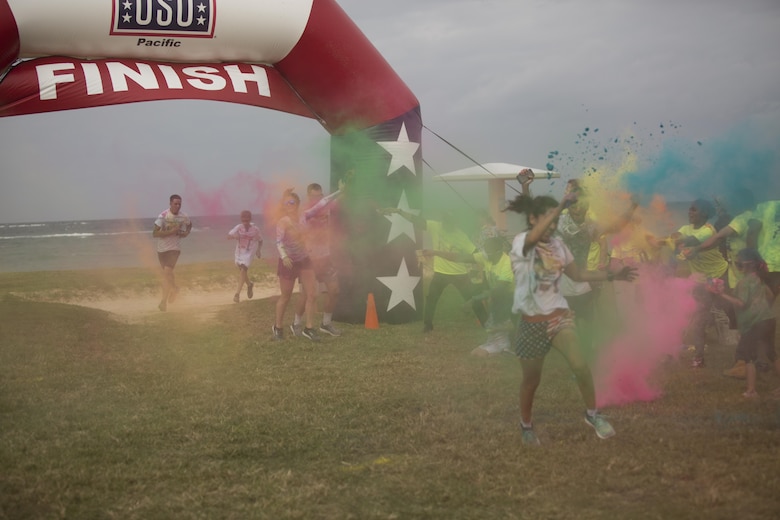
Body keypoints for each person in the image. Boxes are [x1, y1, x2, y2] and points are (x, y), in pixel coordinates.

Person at [505, 191, 637, 444]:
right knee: (531, 381)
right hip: (531, 323)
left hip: (558, 317)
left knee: (580, 365)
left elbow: (577, 275)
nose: (553, 226)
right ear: (533, 219)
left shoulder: (558, 246)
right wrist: (561, 205)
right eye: (548, 219)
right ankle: (526, 425)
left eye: (555, 221)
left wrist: (613, 276)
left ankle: (592, 414)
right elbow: (533, 237)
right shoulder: (521, 242)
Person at [647, 199, 729, 368]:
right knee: (695, 316)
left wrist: (659, 242)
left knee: (731, 311)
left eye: (694, 210)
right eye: (689, 210)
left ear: (705, 214)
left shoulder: (708, 231)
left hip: (721, 275)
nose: (690, 212)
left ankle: (737, 344)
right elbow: (675, 239)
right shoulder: (685, 228)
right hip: (700, 279)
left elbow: (688, 241)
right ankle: (697, 357)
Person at [380, 207, 488, 333]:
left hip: (460, 274)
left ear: (455, 223)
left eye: (450, 222)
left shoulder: (461, 236)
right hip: (440, 273)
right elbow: (416, 220)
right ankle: (428, 325)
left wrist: (481, 264)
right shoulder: (436, 226)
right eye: (445, 222)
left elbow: (474, 253)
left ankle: (487, 324)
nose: (446, 225)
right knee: (431, 298)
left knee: (473, 299)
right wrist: (400, 212)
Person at [424, 236, 514, 356]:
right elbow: (459, 257)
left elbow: (498, 290)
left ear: (498, 251)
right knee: (477, 352)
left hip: (513, 300)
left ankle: (506, 343)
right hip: (500, 301)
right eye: (485, 250)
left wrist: (473, 300)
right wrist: (435, 252)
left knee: (503, 315)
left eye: (489, 251)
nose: (485, 254)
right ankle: (502, 341)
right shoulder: (487, 257)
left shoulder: (507, 264)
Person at [709, 248, 779, 398]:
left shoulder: (744, 282)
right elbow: (769, 295)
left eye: (739, 264)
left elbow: (741, 303)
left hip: (755, 323)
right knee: (772, 354)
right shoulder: (760, 279)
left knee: (748, 357)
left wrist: (722, 295)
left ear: (749, 265)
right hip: (769, 319)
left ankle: (751, 391)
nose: (737, 266)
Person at [291, 180, 345, 337]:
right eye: (314, 196)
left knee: (334, 291)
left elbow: (335, 201)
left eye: (320, 195)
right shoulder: (305, 212)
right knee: (307, 295)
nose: (317, 199)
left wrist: (344, 188)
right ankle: (296, 323)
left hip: (325, 257)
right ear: (308, 197)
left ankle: (326, 324)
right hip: (309, 259)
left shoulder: (328, 208)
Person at [273, 189, 320, 342]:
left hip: (304, 259)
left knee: (312, 294)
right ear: (284, 206)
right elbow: (279, 241)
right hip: (288, 262)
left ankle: (309, 328)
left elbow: (321, 204)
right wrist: (285, 256)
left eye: (292, 202)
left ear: (298, 204)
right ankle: (278, 327)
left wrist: (340, 191)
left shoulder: (304, 216)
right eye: (286, 203)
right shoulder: (283, 222)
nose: (289, 205)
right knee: (285, 296)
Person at [152, 194, 192, 312]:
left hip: (174, 249)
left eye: (179, 204)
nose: (178, 206)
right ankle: (174, 289)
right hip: (161, 250)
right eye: (175, 203)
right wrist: (171, 232)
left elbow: (189, 225)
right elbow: (154, 233)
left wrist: (186, 233)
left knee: (167, 273)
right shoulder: (163, 216)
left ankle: (163, 302)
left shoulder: (183, 216)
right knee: (168, 275)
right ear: (170, 204)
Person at [227, 210, 263, 303]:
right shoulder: (239, 227)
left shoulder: (255, 229)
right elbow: (229, 235)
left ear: (250, 220)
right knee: (242, 271)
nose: (245, 223)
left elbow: (260, 240)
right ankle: (249, 284)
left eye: (247, 221)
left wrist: (258, 250)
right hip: (239, 252)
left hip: (249, 252)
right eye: (243, 221)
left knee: (243, 269)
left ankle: (237, 294)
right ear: (241, 220)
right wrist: (234, 236)